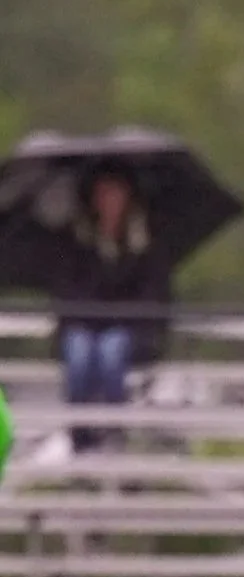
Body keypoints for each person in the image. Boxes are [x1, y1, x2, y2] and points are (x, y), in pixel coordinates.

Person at [52, 165, 171, 453]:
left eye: (115, 194)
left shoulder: (145, 242)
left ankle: (113, 429)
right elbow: (67, 290)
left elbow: (153, 293)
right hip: (84, 323)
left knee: (111, 351)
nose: (109, 202)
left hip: (128, 326)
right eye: (103, 195)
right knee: (79, 354)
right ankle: (80, 433)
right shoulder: (77, 238)